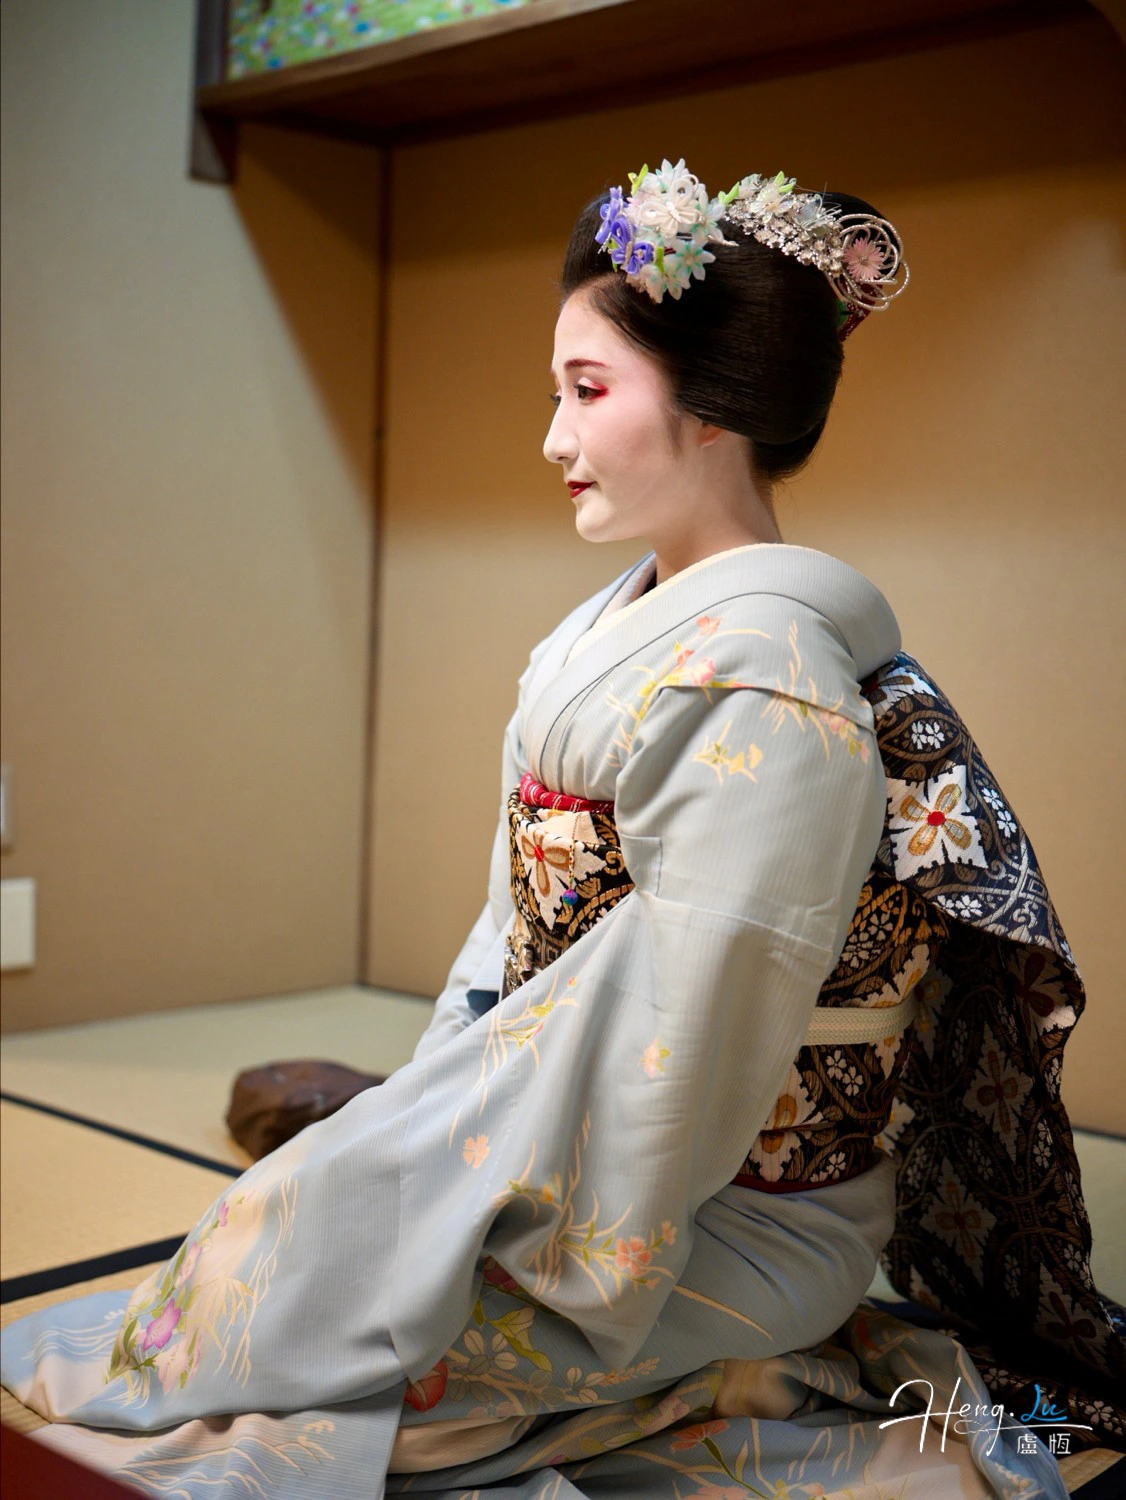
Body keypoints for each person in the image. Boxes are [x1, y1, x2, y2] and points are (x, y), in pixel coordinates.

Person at [2, 160, 1120, 1499]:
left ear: (714, 404)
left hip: (724, 1208)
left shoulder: (769, 686)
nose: (551, 437)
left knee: (355, 1398)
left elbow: (691, 1043)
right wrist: (423, 1140)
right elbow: (509, 946)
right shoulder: (614, 632)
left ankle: (746, 1362)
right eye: (557, 391)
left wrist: (559, 1274)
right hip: (581, 1139)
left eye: (586, 391)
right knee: (273, 1281)